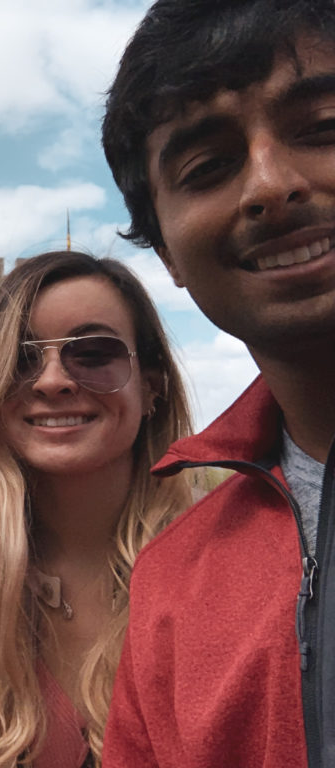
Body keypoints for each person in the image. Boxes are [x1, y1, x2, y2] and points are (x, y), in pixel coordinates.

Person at [100, 2, 335, 766]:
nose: (270, 185)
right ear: (166, 251)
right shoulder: (174, 582)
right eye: (207, 169)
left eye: (324, 127)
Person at [0, 251, 192, 768]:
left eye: (94, 353)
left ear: (151, 384)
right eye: (19, 358)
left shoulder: (218, 571)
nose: (52, 380)